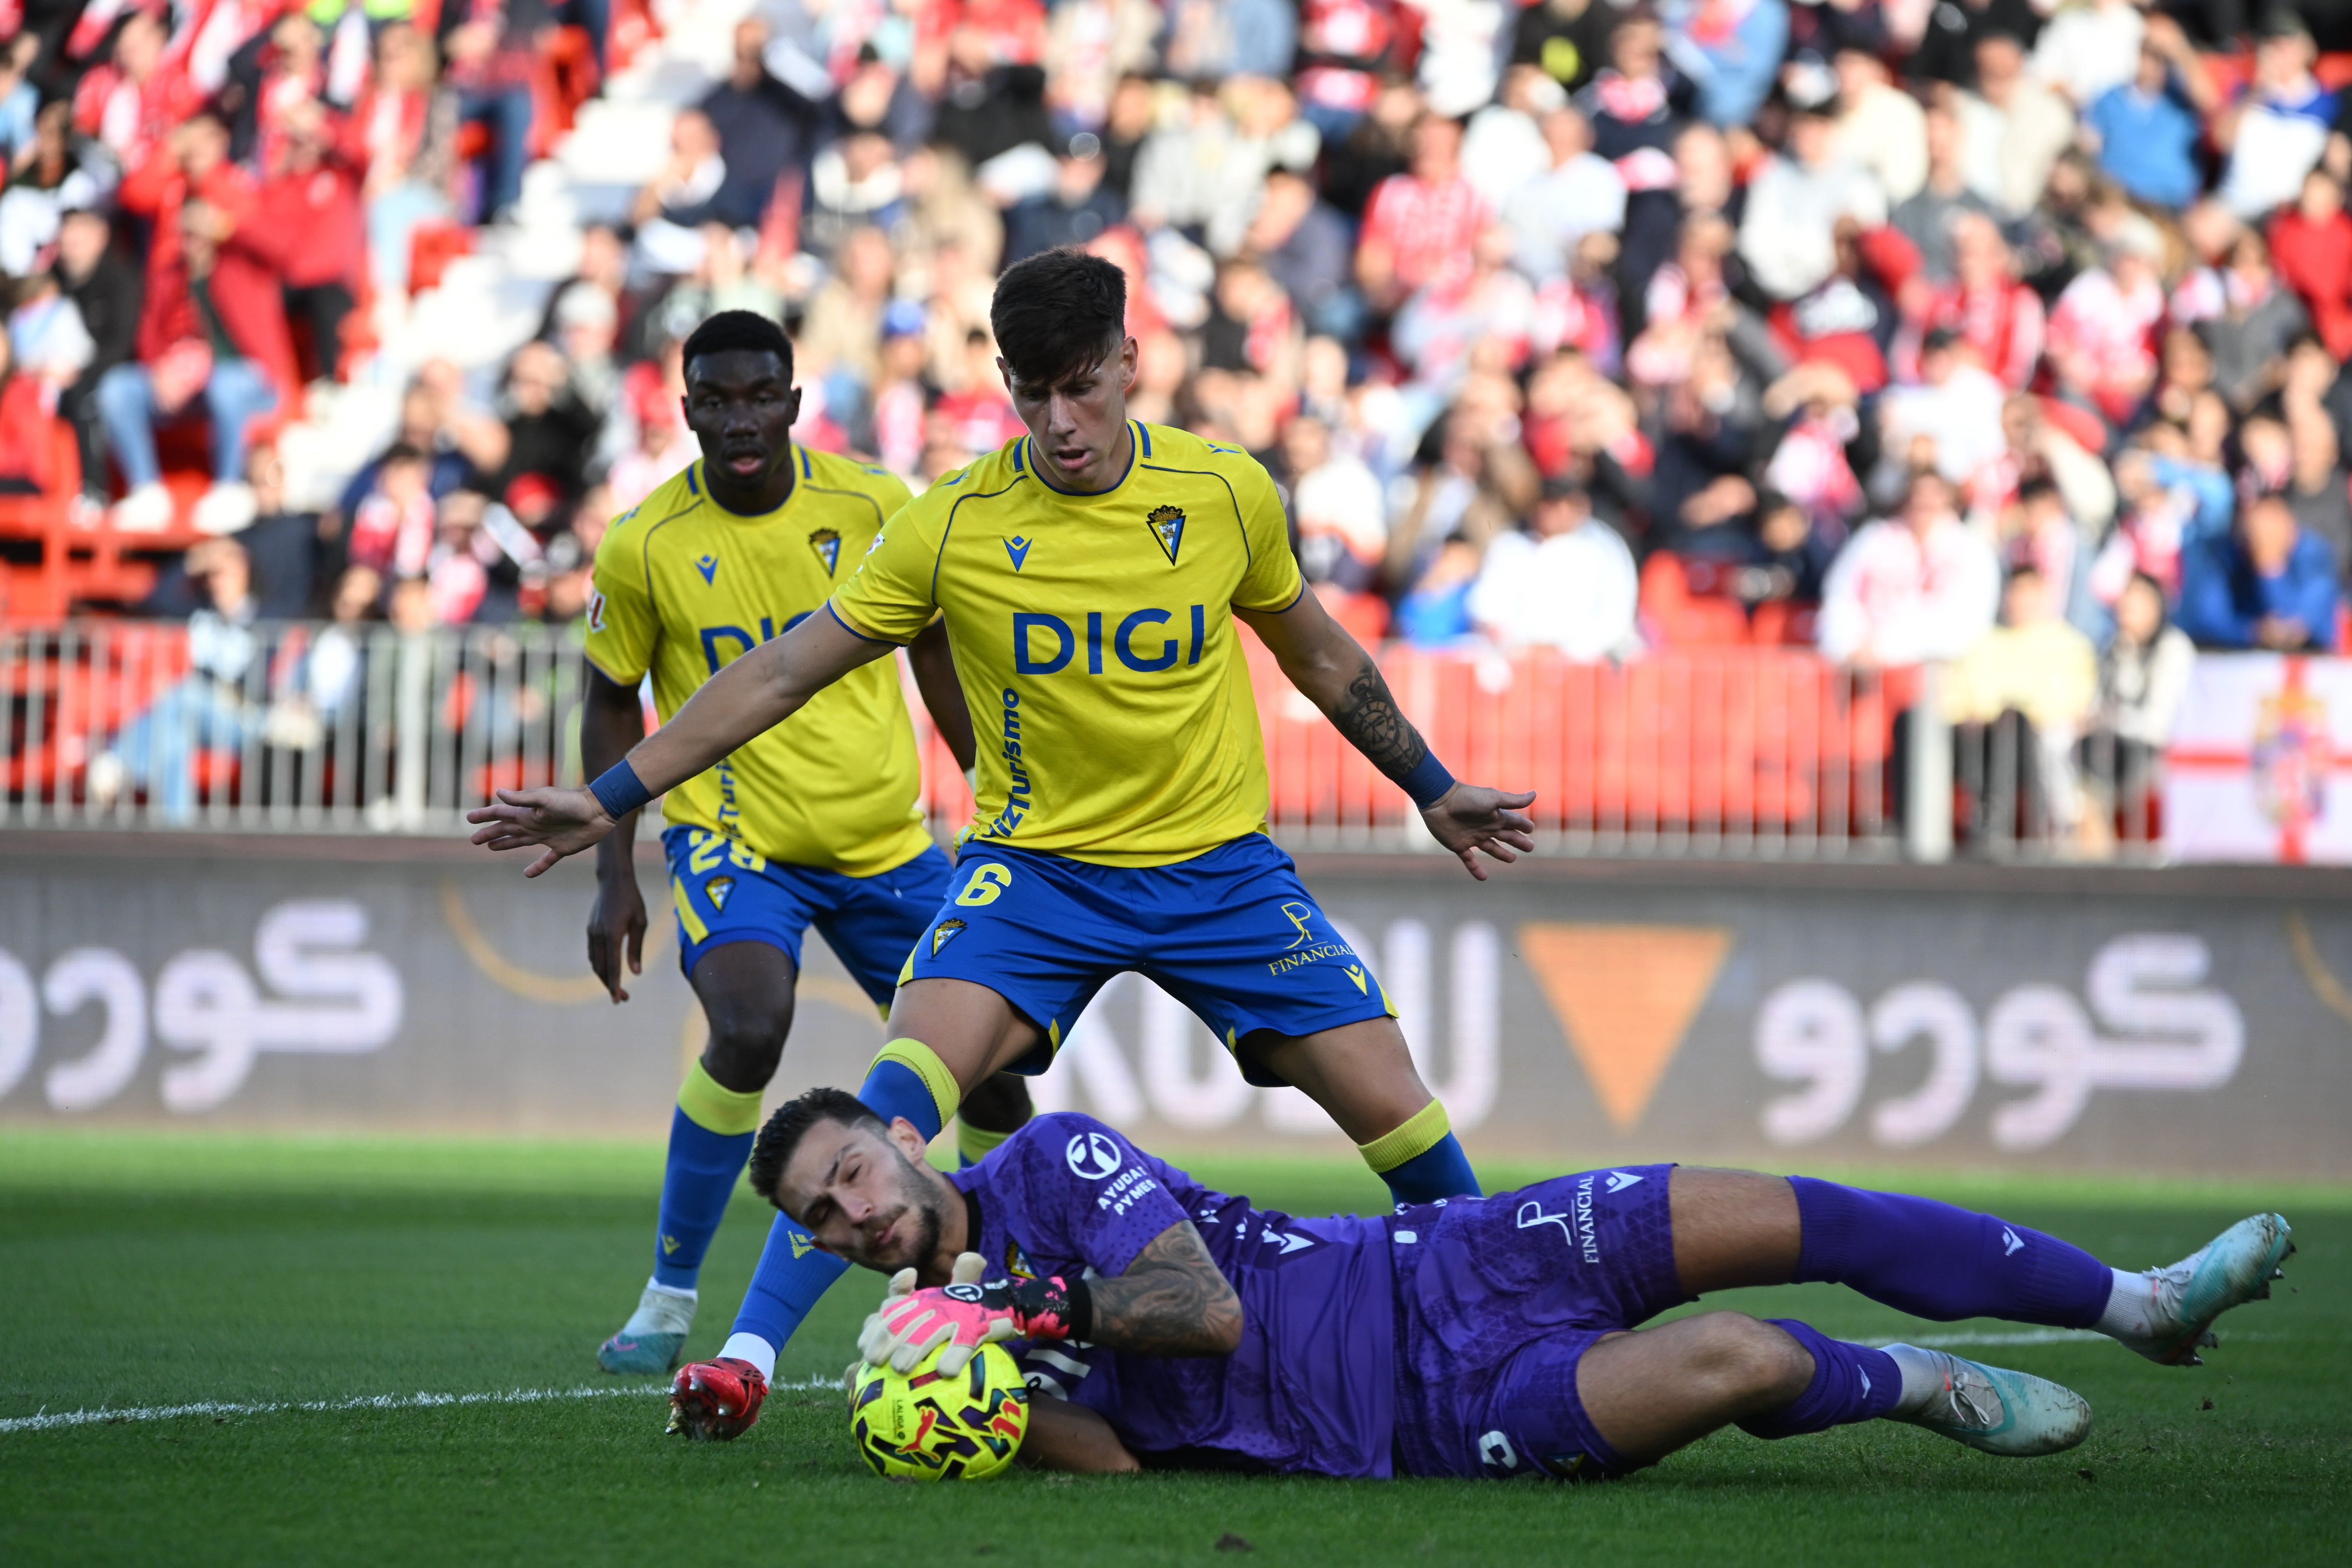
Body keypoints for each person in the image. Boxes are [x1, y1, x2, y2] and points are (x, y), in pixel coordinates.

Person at [470, 250, 1537, 1436]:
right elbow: (775, 675)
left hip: (1222, 873)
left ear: (1132, 363)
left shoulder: (1228, 493)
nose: (1060, 420)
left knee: (1396, 1111)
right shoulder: (955, 523)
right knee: (892, 1105)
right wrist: (613, 796)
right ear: (1003, 381)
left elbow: (1324, 656)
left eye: (1082, 385)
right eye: (1032, 391)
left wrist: (1432, 787)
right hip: (1036, 876)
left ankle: (1516, 1325)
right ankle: (744, 1358)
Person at [724, 1087, 2294, 1476]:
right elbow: (1118, 1454)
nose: (855, 1213)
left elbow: (1200, 1311)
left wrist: (1030, 1317)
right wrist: (962, 1401)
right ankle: (1928, 1387)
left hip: (1449, 1257)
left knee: (1794, 1208)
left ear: (902, 1138)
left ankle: (2142, 1305)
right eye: (824, 1216)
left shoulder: (1051, 1162)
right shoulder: (941, 1360)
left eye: (853, 1172)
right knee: (1746, 1358)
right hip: (1431, 1412)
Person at [571, 310, 1023, 1377]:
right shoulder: (646, 541)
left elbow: (936, 657)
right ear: (685, 409)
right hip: (737, 840)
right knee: (748, 1025)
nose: (739, 420)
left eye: (757, 397)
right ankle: (670, 1298)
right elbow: (610, 700)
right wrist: (613, 872)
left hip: (886, 839)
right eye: (715, 401)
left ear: (793, 403)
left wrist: (995, 794)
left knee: (997, 1076)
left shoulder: (872, 503)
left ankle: (1011, 1282)